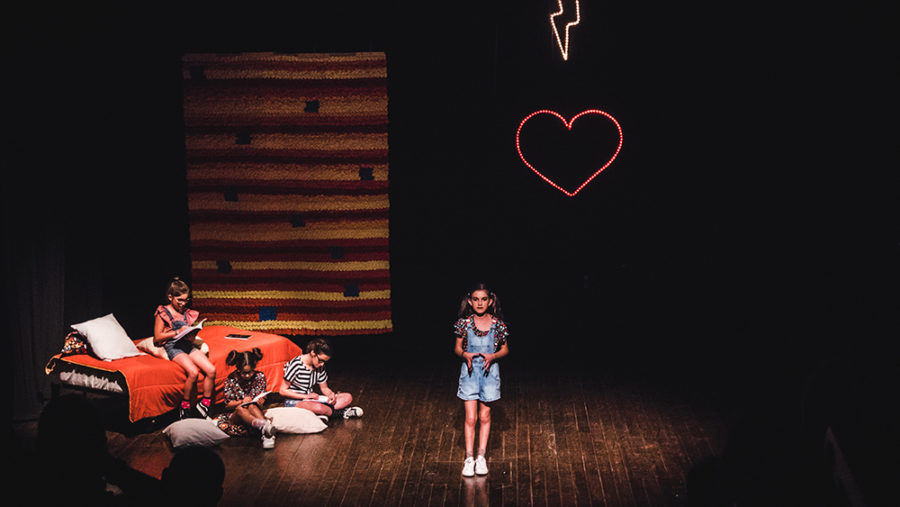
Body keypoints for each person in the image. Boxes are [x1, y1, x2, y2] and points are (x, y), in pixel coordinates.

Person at [453, 282, 509, 477]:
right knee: (471, 418)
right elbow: (457, 347)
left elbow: (505, 349)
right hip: (469, 374)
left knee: (485, 417)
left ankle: (481, 457)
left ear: (490, 301)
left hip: (489, 373)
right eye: (476, 299)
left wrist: (493, 356)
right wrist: (465, 354)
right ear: (470, 301)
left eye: (483, 299)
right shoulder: (464, 323)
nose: (479, 303)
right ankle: (469, 458)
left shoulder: (497, 325)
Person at [154, 277, 216, 419]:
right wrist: (177, 332)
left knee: (211, 370)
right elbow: (157, 337)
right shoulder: (163, 312)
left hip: (187, 345)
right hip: (174, 346)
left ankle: (204, 404)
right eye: (179, 300)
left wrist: (191, 335)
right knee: (193, 372)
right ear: (170, 297)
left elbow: (188, 335)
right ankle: (185, 405)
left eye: (185, 300)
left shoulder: (186, 313)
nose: (183, 304)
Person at [279, 337, 363, 420]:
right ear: (313, 353)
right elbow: (282, 391)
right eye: (320, 360)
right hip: (295, 401)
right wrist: (306, 396)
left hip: (312, 400)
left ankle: (323, 413)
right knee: (319, 408)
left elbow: (324, 388)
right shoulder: (296, 365)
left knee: (347, 397)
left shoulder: (319, 367)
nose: (322, 364)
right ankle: (341, 413)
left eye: (324, 362)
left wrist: (331, 395)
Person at [216, 348, 277, 448]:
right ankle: (264, 427)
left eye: (250, 372)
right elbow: (227, 404)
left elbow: (261, 396)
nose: (248, 376)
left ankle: (266, 432)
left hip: (254, 411)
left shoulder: (259, 376)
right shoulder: (232, 379)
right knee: (241, 409)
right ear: (238, 369)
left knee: (252, 406)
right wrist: (241, 401)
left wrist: (261, 401)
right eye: (244, 373)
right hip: (236, 414)